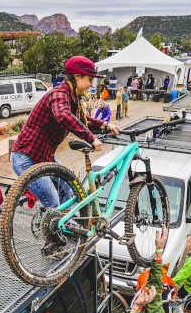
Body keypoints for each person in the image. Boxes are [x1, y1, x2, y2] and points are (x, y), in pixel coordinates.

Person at [10, 56, 121, 209]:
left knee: (66, 189)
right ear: (77, 77)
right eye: (89, 80)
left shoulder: (71, 97)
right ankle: (51, 224)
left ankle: (63, 222)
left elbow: (80, 119)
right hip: (26, 158)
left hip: (43, 157)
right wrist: (91, 139)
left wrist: (104, 124)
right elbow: (63, 116)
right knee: (52, 202)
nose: (91, 84)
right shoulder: (59, 94)